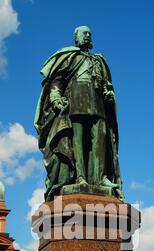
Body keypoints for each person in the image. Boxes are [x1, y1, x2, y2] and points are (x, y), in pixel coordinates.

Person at [35, 26, 124, 201]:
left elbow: (107, 86)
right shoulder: (69, 57)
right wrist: (55, 98)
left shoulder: (99, 61)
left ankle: (101, 178)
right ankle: (80, 177)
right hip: (76, 105)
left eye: (90, 34)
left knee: (101, 140)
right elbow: (56, 83)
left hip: (98, 107)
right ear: (76, 38)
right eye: (84, 34)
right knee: (78, 143)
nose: (88, 36)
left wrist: (109, 94)